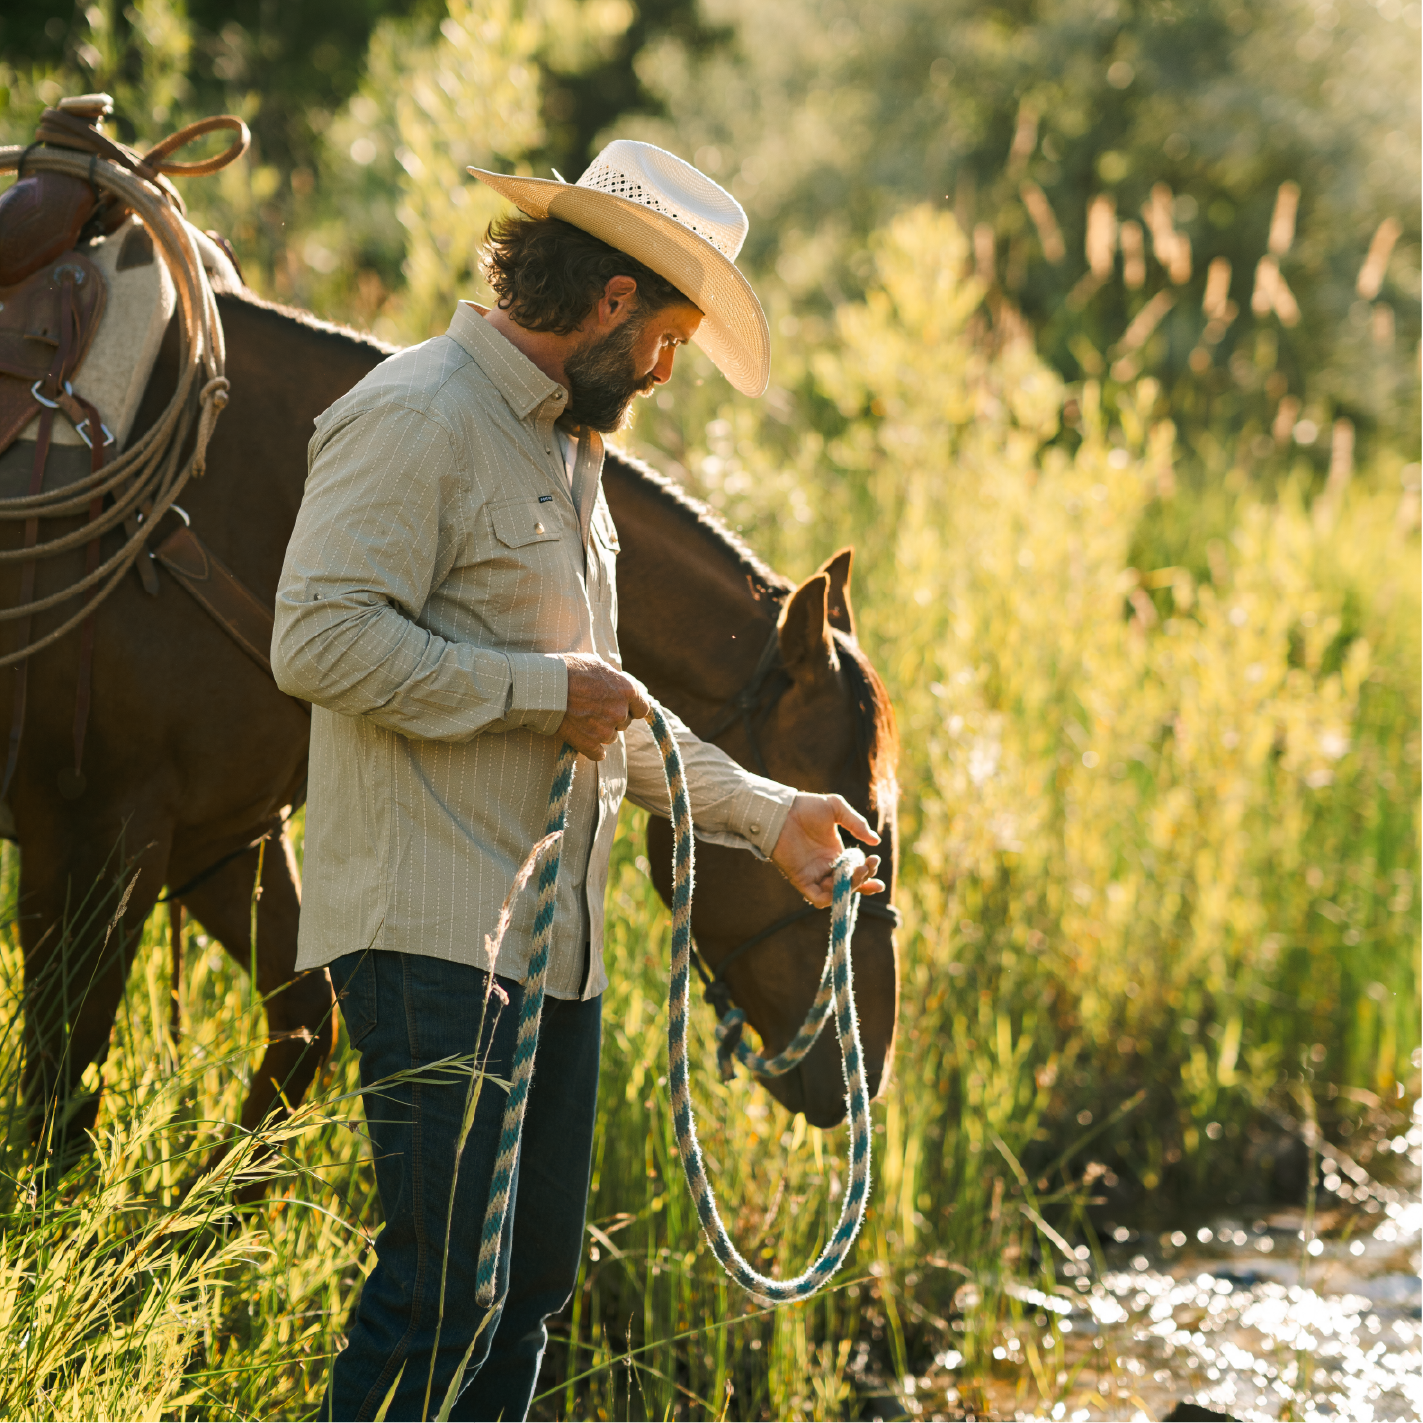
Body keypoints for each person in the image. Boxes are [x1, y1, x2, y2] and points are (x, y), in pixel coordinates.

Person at [271, 139, 884, 1422]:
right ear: (611, 305)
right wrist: (538, 693)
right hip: (432, 936)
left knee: (529, 1287)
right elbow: (317, 639)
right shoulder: (416, 414)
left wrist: (769, 817)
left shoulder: (568, 456)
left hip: (553, 956)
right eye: (666, 339)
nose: (664, 372)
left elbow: (612, 707)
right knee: (442, 1294)